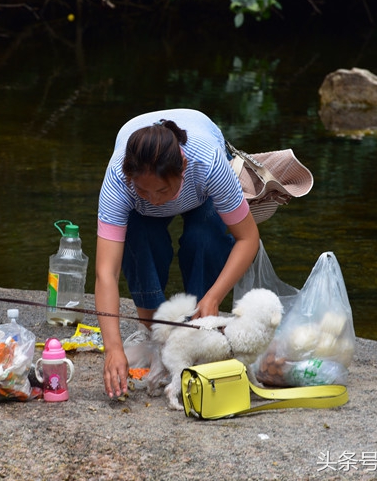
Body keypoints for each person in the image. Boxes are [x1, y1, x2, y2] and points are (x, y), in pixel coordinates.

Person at [95, 108, 261, 398]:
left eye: (161, 190)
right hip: (140, 215)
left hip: (200, 194)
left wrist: (213, 297)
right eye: (144, 191)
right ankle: (155, 331)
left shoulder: (207, 163)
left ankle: (199, 331)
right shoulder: (119, 181)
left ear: (182, 166)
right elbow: (105, 272)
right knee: (143, 235)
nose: (155, 201)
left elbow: (248, 238)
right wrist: (113, 348)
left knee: (204, 238)